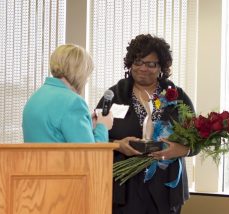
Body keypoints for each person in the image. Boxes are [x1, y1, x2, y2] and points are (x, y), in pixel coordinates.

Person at [96, 34, 199, 214]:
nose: (143, 68)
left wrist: (180, 150)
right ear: (130, 64)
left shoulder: (177, 96)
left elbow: (197, 141)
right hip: (124, 187)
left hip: (166, 187)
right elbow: (94, 140)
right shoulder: (113, 96)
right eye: (137, 62)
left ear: (161, 67)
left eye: (151, 64)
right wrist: (118, 145)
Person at [23, 44, 113, 143]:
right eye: (87, 74)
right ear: (80, 72)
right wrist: (103, 127)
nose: (86, 80)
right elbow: (90, 155)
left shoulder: (36, 97)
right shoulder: (74, 103)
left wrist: (87, 126)